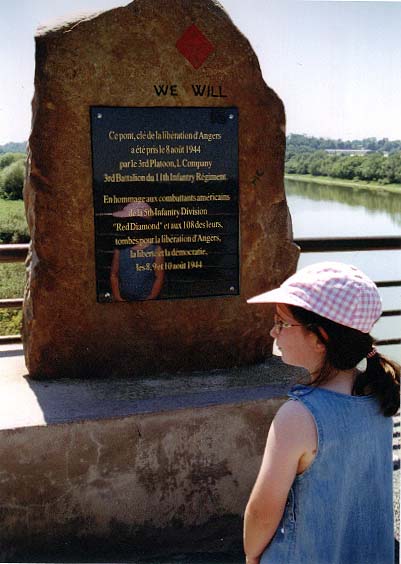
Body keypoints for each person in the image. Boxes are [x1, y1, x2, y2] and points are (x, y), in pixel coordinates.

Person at [243, 261, 400, 564]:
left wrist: (251, 556)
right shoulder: (378, 395)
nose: (273, 331)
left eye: (282, 323)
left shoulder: (297, 417)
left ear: (320, 339)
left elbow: (262, 512)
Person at [110, 202, 164, 301]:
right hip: (124, 300)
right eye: (127, 222)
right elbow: (114, 275)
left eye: (133, 222)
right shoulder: (120, 249)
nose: (129, 225)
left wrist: (151, 298)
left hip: (147, 301)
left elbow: (159, 277)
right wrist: (118, 298)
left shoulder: (155, 249)